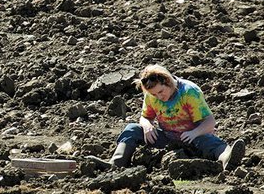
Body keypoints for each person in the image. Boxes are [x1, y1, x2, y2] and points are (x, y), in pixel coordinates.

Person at [95, 64, 245, 171]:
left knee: (212, 143)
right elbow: (145, 117)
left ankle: (227, 159)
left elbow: (210, 122)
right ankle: (117, 163)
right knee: (132, 129)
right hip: (167, 139)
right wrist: (147, 125)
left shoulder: (189, 92)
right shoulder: (152, 95)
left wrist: (193, 133)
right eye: (154, 94)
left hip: (194, 138)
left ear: (167, 81)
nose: (159, 97)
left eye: (161, 92)